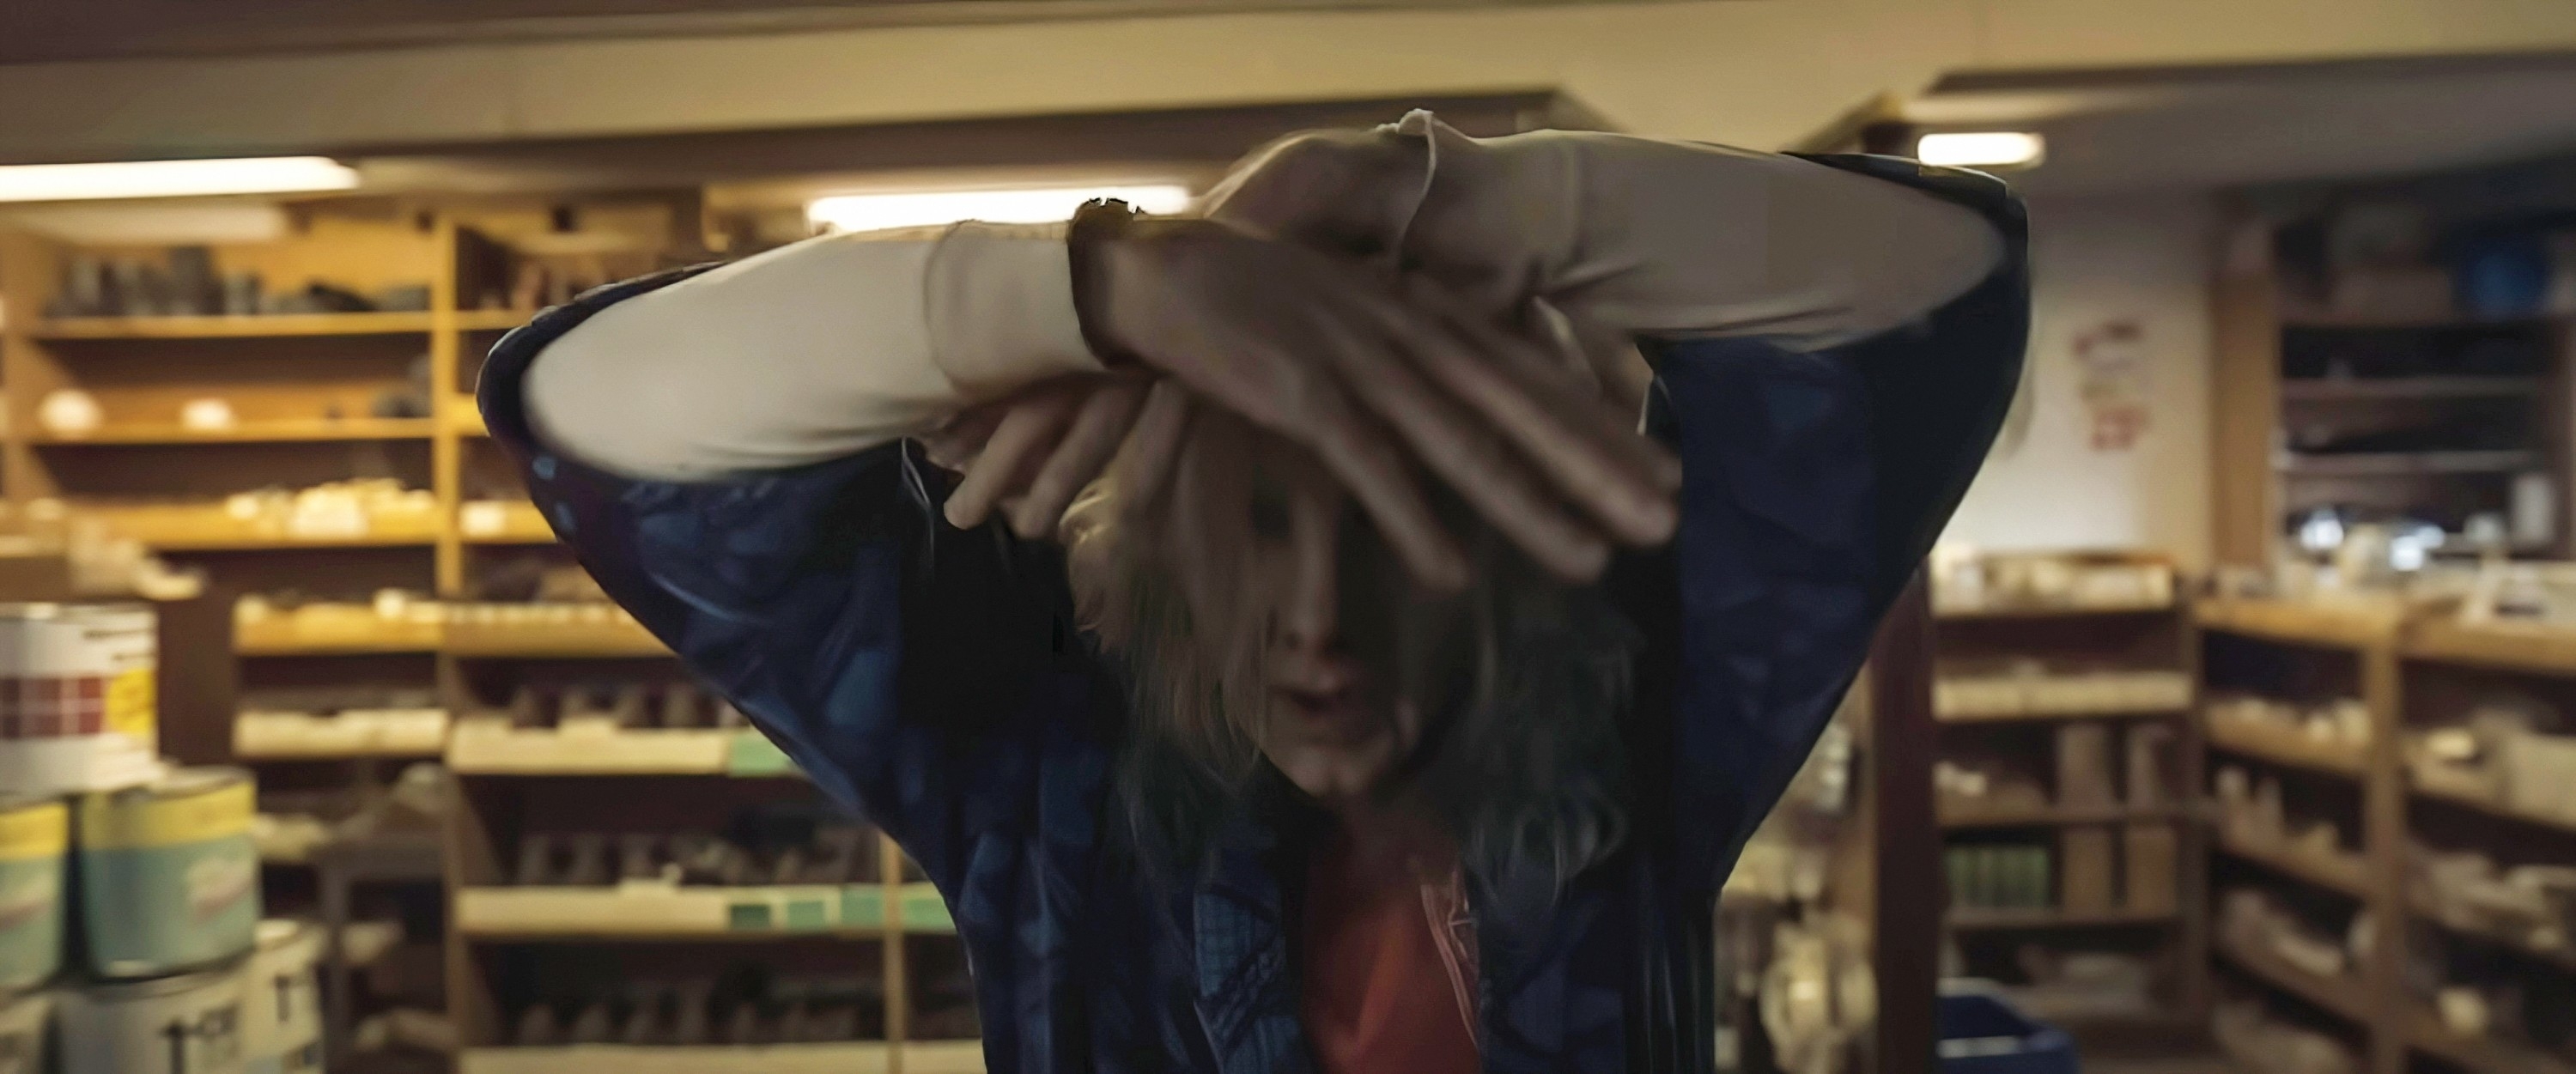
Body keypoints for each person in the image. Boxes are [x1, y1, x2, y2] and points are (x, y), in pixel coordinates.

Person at [480, 112, 2026, 1073]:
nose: (1316, 624)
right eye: (1253, 528)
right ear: (1144, 555)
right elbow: (592, 425)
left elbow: (1931, 292)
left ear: (1514, 549)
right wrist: (1096, 288)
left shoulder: (1631, 730)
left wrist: (1418, 193)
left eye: (1394, 529)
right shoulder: (1046, 771)